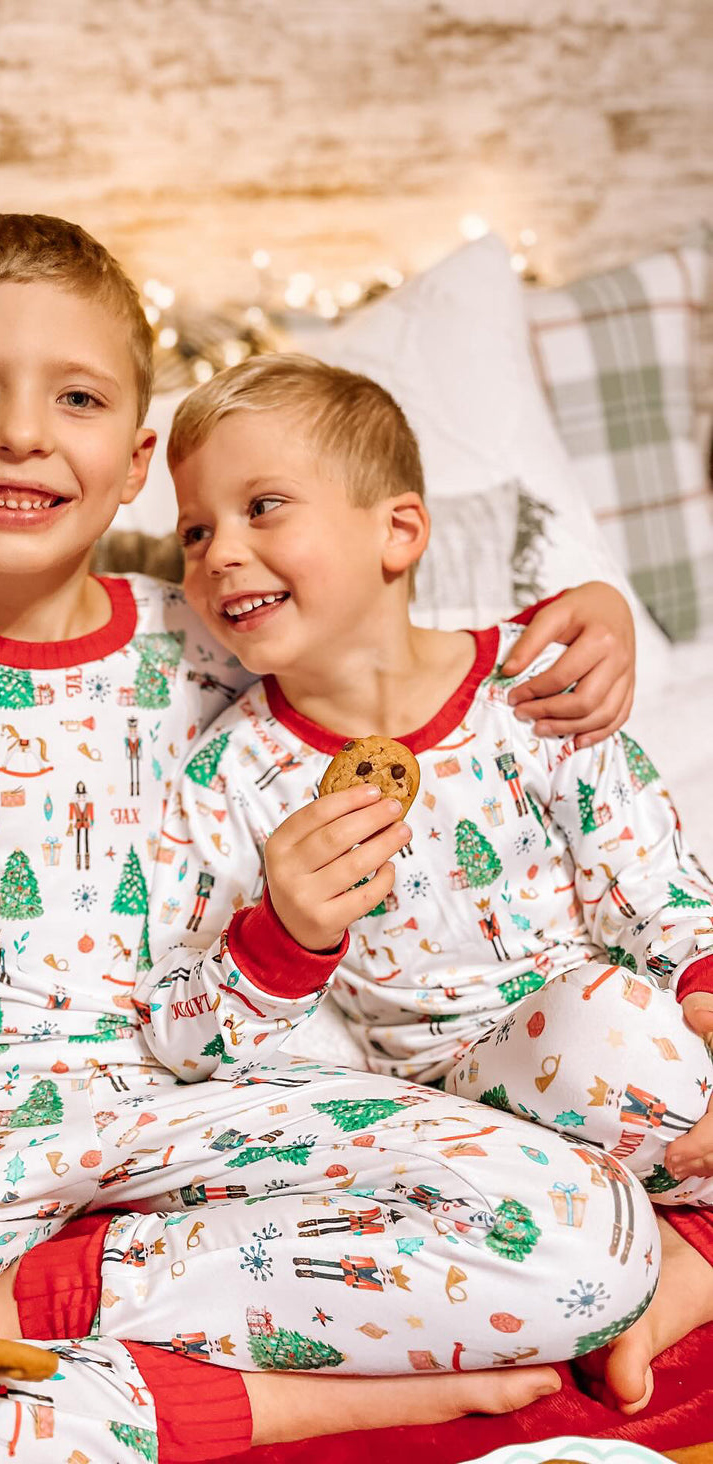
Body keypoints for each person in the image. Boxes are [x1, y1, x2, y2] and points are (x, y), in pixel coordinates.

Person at [0, 217, 650, 1464]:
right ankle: (259, 1401)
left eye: (77, 397)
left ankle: (91, 1303)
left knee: (589, 1238)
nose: (18, 432)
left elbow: (397, 642)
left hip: (207, 1111)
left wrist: (583, 611)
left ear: (134, 462)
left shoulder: (221, 627)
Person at [150, 351, 713, 1419]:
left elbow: (655, 889)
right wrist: (284, 936)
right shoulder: (229, 777)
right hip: (444, 1108)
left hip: (611, 1045)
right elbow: (185, 1040)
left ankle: (671, 1260)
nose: (221, 553)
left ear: (397, 534)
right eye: (193, 531)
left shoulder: (531, 691)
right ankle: (643, 1252)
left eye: (262, 507)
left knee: (620, 1024)